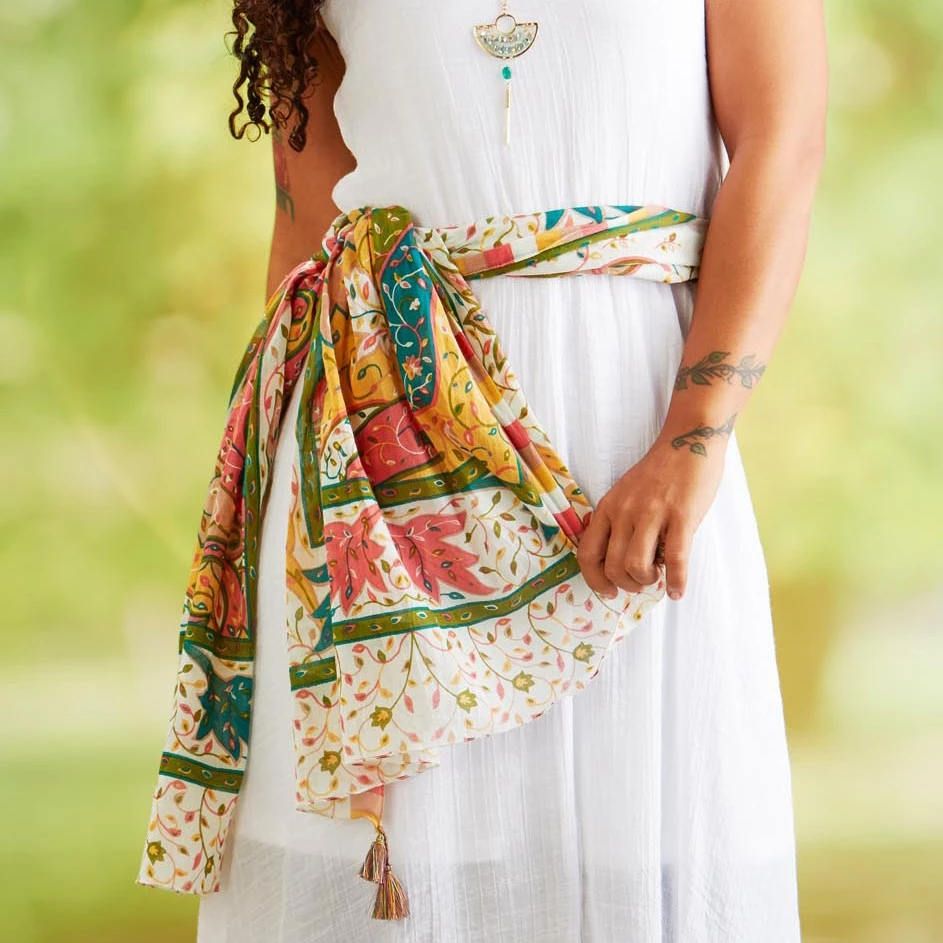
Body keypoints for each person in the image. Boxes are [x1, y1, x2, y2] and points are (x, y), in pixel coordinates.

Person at [140, 1, 827, 940]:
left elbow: (781, 142)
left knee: (643, 821)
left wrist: (692, 436)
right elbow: (307, 229)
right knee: (397, 870)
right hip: (376, 464)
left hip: (631, 420)